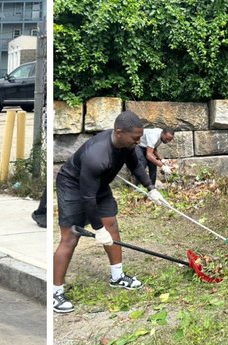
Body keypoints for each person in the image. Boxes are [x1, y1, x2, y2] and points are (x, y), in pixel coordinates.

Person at [52, 110, 166, 314]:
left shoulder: (127, 144)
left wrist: (151, 188)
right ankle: (55, 292)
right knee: (70, 237)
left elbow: (136, 166)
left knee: (111, 225)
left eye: (140, 137)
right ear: (119, 132)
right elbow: (87, 198)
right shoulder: (97, 156)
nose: (138, 141)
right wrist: (97, 229)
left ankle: (117, 276)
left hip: (98, 184)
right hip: (73, 186)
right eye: (136, 138)